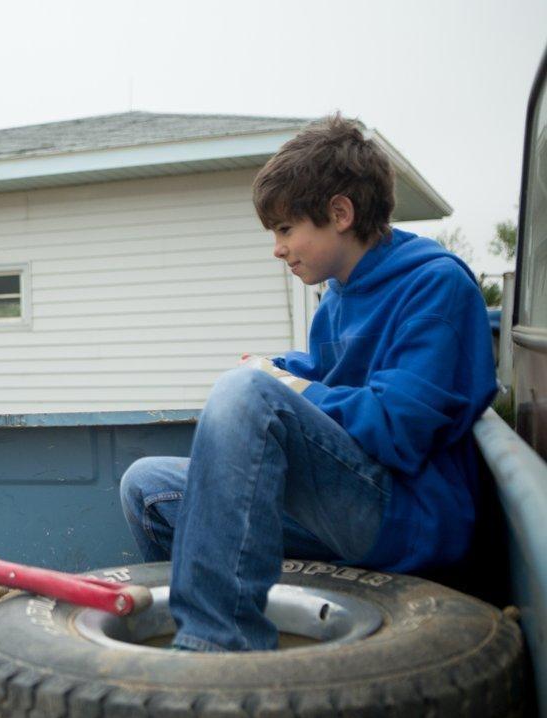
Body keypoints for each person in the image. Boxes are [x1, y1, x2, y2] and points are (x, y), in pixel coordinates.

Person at [119, 115, 497, 652]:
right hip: (343, 509)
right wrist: (285, 369)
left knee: (245, 394)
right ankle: (228, 614)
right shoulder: (339, 294)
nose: (277, 248)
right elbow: (335, 375)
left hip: (407, 517)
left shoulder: (435, 286)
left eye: (286, 229)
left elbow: (402, 429)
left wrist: (284, 391)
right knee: (147, 486)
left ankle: (214, 647)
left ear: (339, 213)